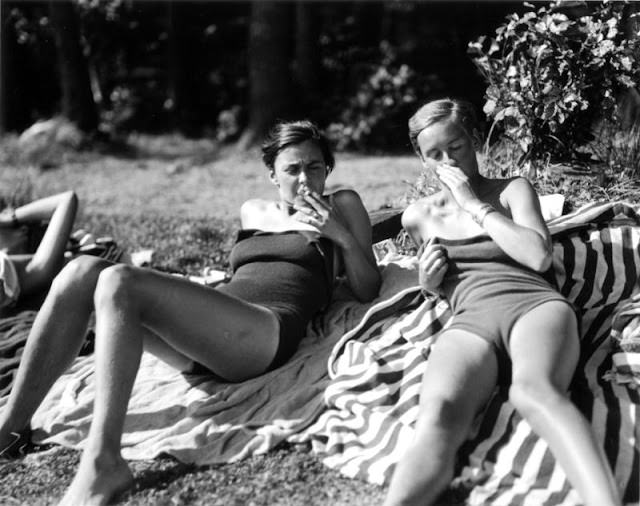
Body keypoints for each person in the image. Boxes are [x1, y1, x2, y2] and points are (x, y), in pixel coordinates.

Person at [0, 120, 381, 505]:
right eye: (292, 169)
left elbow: (367, 288)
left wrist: (339, 236)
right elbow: (249, 275)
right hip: (217, 335)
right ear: (273, 175)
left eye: (315, 167)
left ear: (327, 170)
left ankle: (104, 461)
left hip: (264, 333)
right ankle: (10, 429)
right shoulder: (254, 210)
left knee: (119, 281)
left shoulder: (342, 205)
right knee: (79, 271)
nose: (304, 179)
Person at [383, 99, 621, 506]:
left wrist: (474, 206)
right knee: (438, 414)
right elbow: (443, 287)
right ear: (421, 159)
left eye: (455, 147)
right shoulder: (416, 217)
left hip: (533, 307)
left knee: (534, 392)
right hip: (471, 320)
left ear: (473, 140)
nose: (448, 161)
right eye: (434, 154)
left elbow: (538, 256)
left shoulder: (510, 190)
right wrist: (428, 282)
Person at [0, 191, 78, 311]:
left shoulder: (30, 270)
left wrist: (11, 218)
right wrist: (11, 218)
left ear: (23, 232)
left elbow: (66, 200)